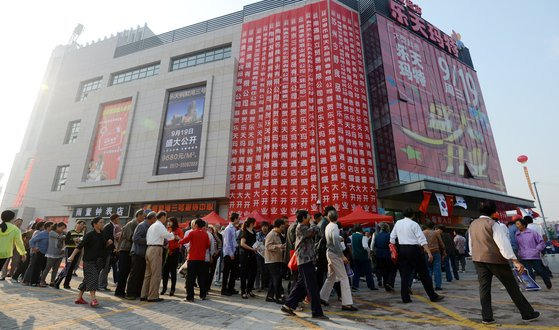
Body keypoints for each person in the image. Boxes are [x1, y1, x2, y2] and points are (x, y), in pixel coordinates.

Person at [469, 201, 539, 324]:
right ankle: (527, 314)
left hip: (478, 260)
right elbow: (503, 244)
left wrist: (474, 255)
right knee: (512, 287)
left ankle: (487, 317)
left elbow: (471, 245)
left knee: (484, 289)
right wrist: (515, 261)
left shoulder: (473, 224)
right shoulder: (494, 224)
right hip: (496, 260)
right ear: (494, 212)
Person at [281, 210, 328, 320]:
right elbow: (316, 230)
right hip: (305, 260)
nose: (310, 217)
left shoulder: (303, 226)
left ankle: (288, 305)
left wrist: (310, 222)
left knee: (301, 285)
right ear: (303, 218)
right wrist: (312, 222)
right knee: (312, 287)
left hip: (306, 260)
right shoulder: (301, 227)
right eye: (308, 216)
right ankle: (316, 312)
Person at [390, 208, 443, 304]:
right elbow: (421, 240)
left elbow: (392, 239)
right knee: (424, 274)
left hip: (402, 250)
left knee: (405, 275)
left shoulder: (398, 223)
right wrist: (429, 253)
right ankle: (432, 296)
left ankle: (405, 298)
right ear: (413, 215)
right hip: (414, 250)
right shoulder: (414, 224)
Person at [319, 210, 358, 311]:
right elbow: (336, 241)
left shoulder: (328, 226)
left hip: (329, 252)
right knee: (344, 277)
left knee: (331, 276)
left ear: (328, 217)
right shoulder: (335, 227)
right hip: (335, 254)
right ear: (337, 217)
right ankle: (347, 303)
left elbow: (333, 238)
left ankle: (322, 297)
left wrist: (339, 238)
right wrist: (342, 256)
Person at [68, 217, 107, 307]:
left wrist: (109, 243)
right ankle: (93, 299)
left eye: (103, 222)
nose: (102, 224)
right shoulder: (90, 234)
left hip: (99, 261)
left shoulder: (103, 234)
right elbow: (80, 246)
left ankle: (79, 298)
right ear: (95, 224)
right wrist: (72, 256)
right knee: (93, 278)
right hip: (89, 261)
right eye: (101, 222)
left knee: (88, 279)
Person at [141, 211, 174, 302]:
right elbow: (168, 236)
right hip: (156, 249)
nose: (166, 219)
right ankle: (153, 296)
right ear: (162, 217)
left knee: (148, 274)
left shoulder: (152, 226)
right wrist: (173, 234)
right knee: (156, 273)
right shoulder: (159, 225)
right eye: (165, 217)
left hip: (149, 248)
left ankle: (144, 294)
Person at [125, 211, 156, 300]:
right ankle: (130, 294)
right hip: (137, 253)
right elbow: (135, 238)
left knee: (141, 274)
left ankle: (138, 293)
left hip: (144, 254)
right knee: (135, 274)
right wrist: (149, 240)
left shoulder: (149, 226)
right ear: (152, 218)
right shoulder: (142, 225)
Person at [515, 218, 552, 289]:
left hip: (534, 255)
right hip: (523, 256)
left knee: (539, 270)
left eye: (518, 224)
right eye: (516, 224)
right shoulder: (517, 234)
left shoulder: (532, 232)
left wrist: (537, 250)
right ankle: (532, 285)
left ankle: (547, 282)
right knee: (528, 272)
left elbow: (541, 242)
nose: (517, 226)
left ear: (524, 225)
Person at [114, 210, 144, 297]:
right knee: (123, 272)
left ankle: (125, 291)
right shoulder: (131, 223)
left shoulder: (138, 224)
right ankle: (119, 291)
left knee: (129, 272)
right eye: (143, 216)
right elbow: (130, 237)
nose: (144, 218)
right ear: (138, 215)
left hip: (130, 250)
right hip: (125, 250)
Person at [179, 218, 210, 302]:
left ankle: (190, 296)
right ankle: (203, 295)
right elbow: (207, 246)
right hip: (201, 258)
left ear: (196, 225)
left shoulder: (192, 233)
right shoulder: (205, 234)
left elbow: (185, 241)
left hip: (192, 258)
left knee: (190, 278)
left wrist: (178, 240)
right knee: (201, 277)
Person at [55, 220, 85, 289]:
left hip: (78, 251)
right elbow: (67, 242)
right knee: (68, 267)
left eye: (82, 225)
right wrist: (74, 240)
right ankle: (58, 282)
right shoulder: (70, 232)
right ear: (76, 224)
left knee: (71, 268)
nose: (81, 226)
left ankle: (66, 284)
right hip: (70, 250)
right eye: (80, 224)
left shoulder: (82, 233)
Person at [24, 222, 53, 286]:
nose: (53, 228)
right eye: (52, 226)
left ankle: (37, 281)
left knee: (41, 268)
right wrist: (34, 248)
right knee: (36, 268)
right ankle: (33, 282)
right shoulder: (42, 233)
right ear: (48, 227)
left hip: (45, 254)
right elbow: (31, 241)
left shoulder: (50, 234)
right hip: (39, 252)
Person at [265, 218, 286, 303]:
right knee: (277, 278)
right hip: (271, 260)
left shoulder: (277, 234)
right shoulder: (271, 234)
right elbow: (268, 246)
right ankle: (278, 297)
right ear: (279, 226)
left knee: (274, 278)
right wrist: (278, 246)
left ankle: (269, 297)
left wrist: (282, 247)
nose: (283, 228)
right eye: (282, 227)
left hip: (277, 259)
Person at [161, 217, 183, 296]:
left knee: (173, 271)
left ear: (174, 222)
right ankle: (164, 288)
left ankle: (172, 289)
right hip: (166, 251)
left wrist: (177, 237)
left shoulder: (179, 230)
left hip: (175, 251)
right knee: (165, 271)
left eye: (170, 222)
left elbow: (181, 240)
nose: (169, 223)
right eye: (168, 222)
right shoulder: (166, 229)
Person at [372, 222, 397, 291]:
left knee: (384, 271)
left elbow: (375, 245)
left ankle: (386, 285)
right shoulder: (389, 235)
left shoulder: (377, 236)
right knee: (392, 270)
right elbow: (393, 244)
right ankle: (389, 283)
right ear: (387, 228)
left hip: (379, 255)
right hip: (388, 254)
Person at [351, 224, 376, 291]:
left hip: (355, 256)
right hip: (363, 256)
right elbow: (365, 246)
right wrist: (369, 251)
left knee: (356, 272)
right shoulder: (363, 237)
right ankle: (371, 286)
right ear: (361, 229)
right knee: (368, 272)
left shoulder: (352, 236)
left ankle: (355, 285)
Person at [40, 222, 66, 286]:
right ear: (57, 227)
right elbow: (60, 237)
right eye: (62, 228)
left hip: (60, 253)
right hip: (51, 253)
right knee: (47, 268)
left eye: (64, 228)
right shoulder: (52, 232)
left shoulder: (62, 233)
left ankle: (52, 282)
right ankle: (42, 281)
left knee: (56, 269)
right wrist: (65, 235)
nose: (63, 230)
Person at [238, 217, 258, 299]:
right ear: (251, 223)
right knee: (244, 273)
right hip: (245, 255)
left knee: (253, 272)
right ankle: (243, 291)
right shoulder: (245, 231)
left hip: (253, 254)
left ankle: (249, 290)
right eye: (254, 222)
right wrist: (251, 249)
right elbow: (242, 244)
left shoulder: (253, 231)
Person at [221, 213, 240, 296]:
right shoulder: (228, 229)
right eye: (238, 218)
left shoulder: (234, 228)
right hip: (229, 254)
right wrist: (231, 253)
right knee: (226, 272)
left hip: (234, 252)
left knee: (233, 272)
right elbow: (227, 242)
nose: (239, 220)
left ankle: (230, 288)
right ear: (235, 219)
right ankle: (224, 289)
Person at [98, 214, 119, 291]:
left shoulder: (113, 227)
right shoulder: (109, 226)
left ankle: (103, 285)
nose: (118, 221)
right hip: (106, 251)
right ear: (115, 219)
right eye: (118, 219)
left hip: (110, 250)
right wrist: (110, 245)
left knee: (107, 268)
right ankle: (101, 285)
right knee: (105, 268)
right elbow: (106, 238)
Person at [423, 222, 446, 290]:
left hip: (426, 253)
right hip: (436, 252)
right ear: (433, 227)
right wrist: (444, 250)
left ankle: (429, 285)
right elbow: (441, 243)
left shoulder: (422, 232)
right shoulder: (436, 233)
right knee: (437, 270)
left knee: (428, 269)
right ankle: (438, 286)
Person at [255, 221, 270, 291]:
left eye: (266, 226)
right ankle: (257, 285)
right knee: (258, 270)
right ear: (261, 227)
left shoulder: (269, 234)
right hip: (259, 254)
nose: (264, 228)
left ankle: (264, 285)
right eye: (263, 226)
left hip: (267, 254)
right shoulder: (258, 234)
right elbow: (256, 243)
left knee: (266, 270)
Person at [206, 225, 221, 292]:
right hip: (206, 256)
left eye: (211, 229)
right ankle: (204, 285)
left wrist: (217, 251)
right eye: (208, 229)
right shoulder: (206, 235)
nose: (209, 230)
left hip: (214, 256)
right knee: (205, 271)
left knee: (212, 271)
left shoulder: (215, 236)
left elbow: (220, 243)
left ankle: (208, 286)